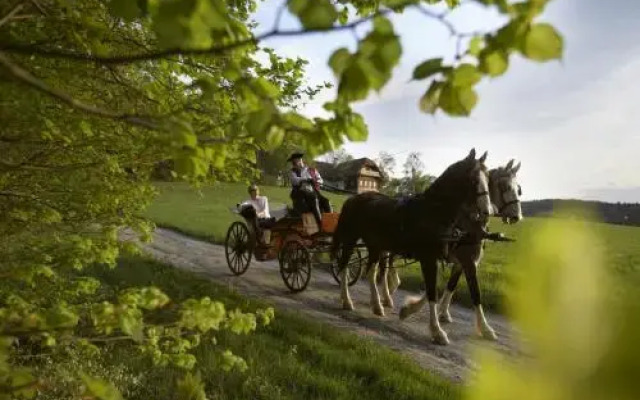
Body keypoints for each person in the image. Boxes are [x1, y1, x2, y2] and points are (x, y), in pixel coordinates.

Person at [287, 152, 332, 227]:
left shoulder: (312, 170)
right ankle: (320, 224)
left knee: (326, 201)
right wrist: (306, 179)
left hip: (314, 191)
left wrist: (315, 181)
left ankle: (330, 223)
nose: (293, 164)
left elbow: (320, 180)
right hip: (301, 193)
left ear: (300, 160)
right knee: (314, 199)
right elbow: (294, 181)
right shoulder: (293, 172)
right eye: (293, 162)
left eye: (295, 161)